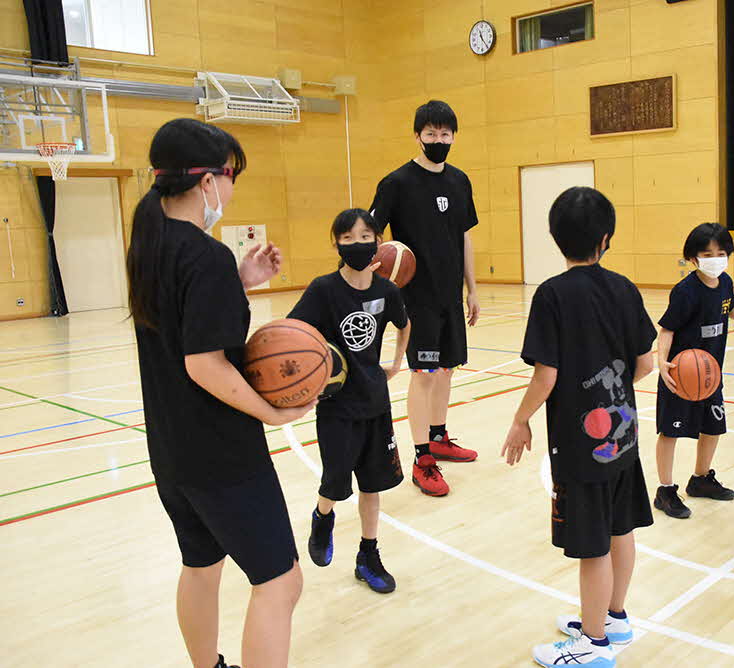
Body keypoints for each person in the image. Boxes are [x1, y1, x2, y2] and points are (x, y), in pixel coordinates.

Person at [126, 118, 312, 668]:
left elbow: (184, 316)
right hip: (222, 453)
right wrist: (272, 414)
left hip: (172, 448)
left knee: (202, 567)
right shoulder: (202, 255)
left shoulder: (150, 243)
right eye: (231, 176)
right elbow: (204, 364)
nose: (231, 190)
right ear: (208, 181)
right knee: (280, 583)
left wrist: (238, 278)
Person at [501, 187, 656, 667]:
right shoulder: (625, 288)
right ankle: (613, 618)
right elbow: (646, 363)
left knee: (592, 547)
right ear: (606, 238)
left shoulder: (551, 295)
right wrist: (610, 397)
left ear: (554, 238)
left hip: (579, 448)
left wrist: (520, 419)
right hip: (624, 438)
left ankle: (593, 644)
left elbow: (546, 375)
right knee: (620, 529)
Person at [288, 209, 410, 594]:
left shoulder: (386, 291)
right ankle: (322, 517)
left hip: (376, 402)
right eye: (348, 238)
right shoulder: (324, 290)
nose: (358, 244)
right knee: (335, 484)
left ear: (377, 240)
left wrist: (395, 363)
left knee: (371, 487)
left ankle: (368, 556)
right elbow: (292, 333)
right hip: (338, 406)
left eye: (365, 237)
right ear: (336, 244)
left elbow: (404, 325)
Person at [369, 100, 480, 497]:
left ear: (453, 136)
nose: (438, 140)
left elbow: (465, 237)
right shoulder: (396, 183)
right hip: (416, 299)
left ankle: (438, 437)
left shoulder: (460, 181)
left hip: (450, 295)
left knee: (447, 370)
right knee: (425, 373)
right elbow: (372, 236)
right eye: (431, 134)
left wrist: (472, 288)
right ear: (417, 135)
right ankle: (421, 458)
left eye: (445, 134)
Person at [652, 223, 734, 519]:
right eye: (707, 253)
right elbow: (667, 329)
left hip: (710, 375)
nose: (715, 258)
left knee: (712, 427)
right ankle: (665, 490)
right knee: (670, 432)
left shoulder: (724, 282)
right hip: (680, 375)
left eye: (721, 253)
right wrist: (662, 363)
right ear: (693, 258)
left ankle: (700, 480)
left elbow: (728, 307)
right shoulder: (685, 292)